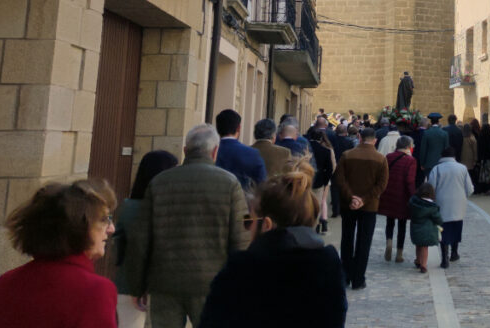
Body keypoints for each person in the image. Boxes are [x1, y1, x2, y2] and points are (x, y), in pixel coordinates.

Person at [198, 159, 347, 327]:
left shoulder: (241, 268)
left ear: (267, 225)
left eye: (249, 220)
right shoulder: (327, 262)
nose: (247, 226)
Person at [126, 124, 249, 328]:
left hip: (164, 283)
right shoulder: (230, 184)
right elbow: (240, 239)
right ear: (215, 151)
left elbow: (140, 240)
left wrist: (137, 285)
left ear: (185, 151)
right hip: (212, 285)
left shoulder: (158, 183)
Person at [0, 179, 118, 328]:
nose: (111, 229)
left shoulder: (5, 283)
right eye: (104, 220)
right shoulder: (95, 290)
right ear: (79, 227)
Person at [113, 151, 178, 328]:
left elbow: (118, 248)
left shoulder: (128, 207)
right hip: (164, 287)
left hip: (126, 283)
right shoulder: (174, 211)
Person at [333, 126, 389, 290]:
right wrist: (363, 200)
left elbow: (339, 179)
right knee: (364, 242)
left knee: (347, 239)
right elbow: (382, 185)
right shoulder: (380, 159)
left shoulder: (347, 155)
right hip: (369, 206)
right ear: (375, 140)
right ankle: (359, 279)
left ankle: (345, 276)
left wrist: (352, 197)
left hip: (348, 204)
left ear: (359, 137)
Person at [427, 146, 475, 267]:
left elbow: (431, 187)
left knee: (443, 229)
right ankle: (454, 252)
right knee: (456, 227)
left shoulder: (437, 169)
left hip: (442, 202)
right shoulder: (462, 168)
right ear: (454, 156)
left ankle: (444, 258)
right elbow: (469, 189)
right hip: (458, 203)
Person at [378, 135, 418, 263]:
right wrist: (414, 196)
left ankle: (389, 241)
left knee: (390, 221)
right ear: (408, 146)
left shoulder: (389, 157)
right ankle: (399, 253)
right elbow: (410, 181)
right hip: (403, 195)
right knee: (402, 224)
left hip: (389, 192)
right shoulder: (411, 160)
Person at [214, 109, 266, 191]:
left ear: (217, 128)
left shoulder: (209, 152)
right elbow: (262, 185)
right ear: (238, 128)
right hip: (243, 200)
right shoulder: (252, 154)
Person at [306, 125, 336, 234]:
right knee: (317, 204)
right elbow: (330, 168)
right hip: (319, 182)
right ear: (321, 138)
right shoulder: (325, 151)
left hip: (305, 180)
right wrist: (325, 180)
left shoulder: (306, 149)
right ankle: (315, 226)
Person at [408, 183, 444, 274]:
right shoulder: (432, 207)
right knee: (424, 247)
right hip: (426, 231)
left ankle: (418, 260)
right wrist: (440, 223)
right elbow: (438, 219)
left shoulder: (414, 202)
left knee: (418, 245)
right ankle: (423, 265)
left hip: (415, 229)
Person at [477, 117, 490, 195]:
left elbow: (479, 149)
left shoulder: (480, 138)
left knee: (483, 175)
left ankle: (484, 189)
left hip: (483, 158)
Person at [460, 123, 478, 189]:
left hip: (462, 157)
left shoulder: (461, 137)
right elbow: (475, 150)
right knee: (471, 174)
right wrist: (475, 159)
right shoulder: (472, 138)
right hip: (470, 158)